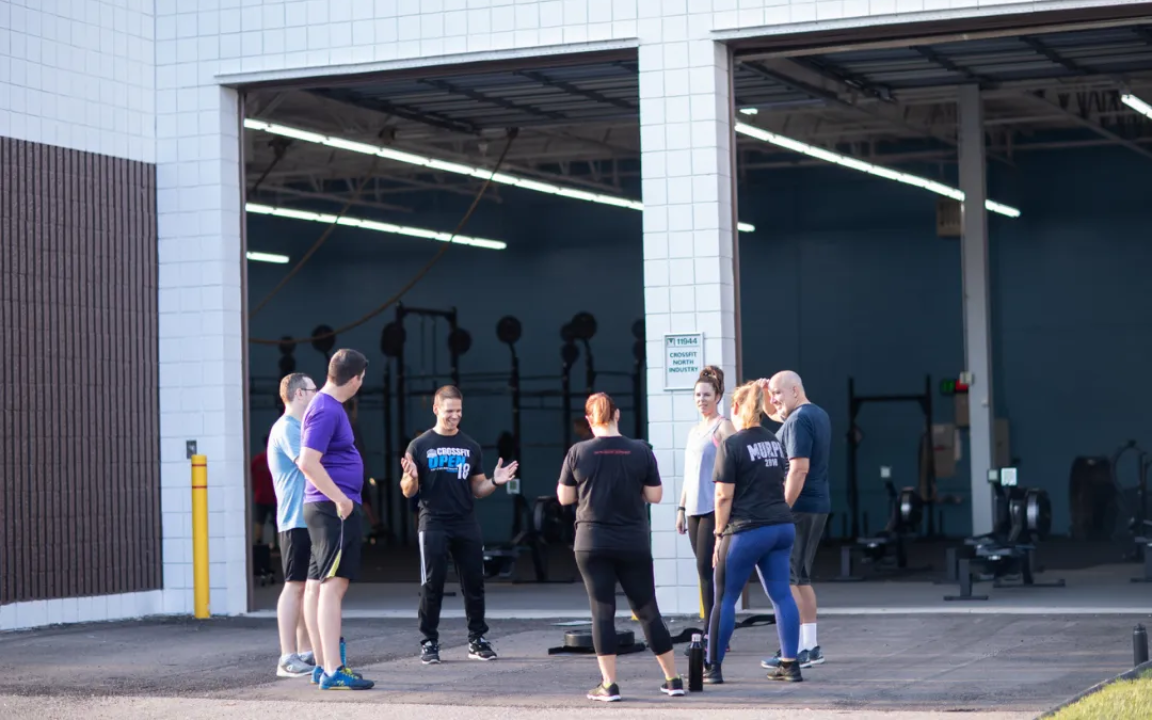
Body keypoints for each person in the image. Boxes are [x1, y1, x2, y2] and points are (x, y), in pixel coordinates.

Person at [557, 392, 684, 702]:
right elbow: (655, 496)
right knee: (647, 609)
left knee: (602, 611)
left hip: (591, 541)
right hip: (632, 541)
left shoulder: (578, 452)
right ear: (617, 415)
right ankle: (673, 679)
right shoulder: (640, 451)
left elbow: (564, 498)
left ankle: (609, 685)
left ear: (589, 420)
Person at [400, 385, 518, 665]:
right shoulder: (419, 446)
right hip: (433, 523)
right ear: (436, 409)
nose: (455, 416)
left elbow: (478, 488)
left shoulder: (470, 446)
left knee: (474, 583)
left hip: (465, 522)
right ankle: (429, 641)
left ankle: (477, 639)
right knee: (432, 584)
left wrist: (496, 481)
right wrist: (412, 478)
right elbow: (407, 490)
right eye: (449, 411)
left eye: (459, 411)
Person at [705, 380, 803, 684]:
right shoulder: (774, 442)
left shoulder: (731, 445)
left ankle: (713, 667)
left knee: (725, 598)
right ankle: (790, 664)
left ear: (735, 408)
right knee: (782, 595)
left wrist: (719, 534)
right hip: (781, 527)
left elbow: (723, 497)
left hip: (747, 530)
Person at [297, 348, 375, 690]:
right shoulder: (327, 408)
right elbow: (307, 461)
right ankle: (333, 668)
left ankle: (321, 663)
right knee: (334, 585)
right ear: (356, 378)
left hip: (323, 507)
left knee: (316, 586)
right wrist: (341, 499)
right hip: (332, 509)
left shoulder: (325, 407)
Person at [759, 370, 832, 669]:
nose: (775, 400)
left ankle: (797, 649)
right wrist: (766, 395)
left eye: (778, 393)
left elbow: (798, 469)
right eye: (772, 394)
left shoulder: (799, 420)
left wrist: (782, 508)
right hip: (817, 505)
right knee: (802, 578)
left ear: (795, 390)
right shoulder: (815, 414)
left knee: (788, 580)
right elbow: (778, 416)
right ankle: (811, 645)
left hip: (798, 507)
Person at [675, 366, 735, 649]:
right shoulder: (693, 431)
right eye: (697, 395)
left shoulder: (722, 426)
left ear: (718, 396)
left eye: (707, 394)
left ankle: (714, 631)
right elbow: (689, 474)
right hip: (693, 510)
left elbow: (738, 462)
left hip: (714, 508)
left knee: (708, 568)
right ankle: (713, 628)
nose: (701, 399)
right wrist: (680, 507)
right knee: (703, 572)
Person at [266, 372, 318, 678]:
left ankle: (305, 651)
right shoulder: (287, 428)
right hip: (294, 520)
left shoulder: (299, 428)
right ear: (299, 394)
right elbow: (309, 464)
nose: (316, 395)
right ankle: (287, 656)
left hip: (306, 519)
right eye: (312, 390)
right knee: (294, 586)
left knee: (307, 587)